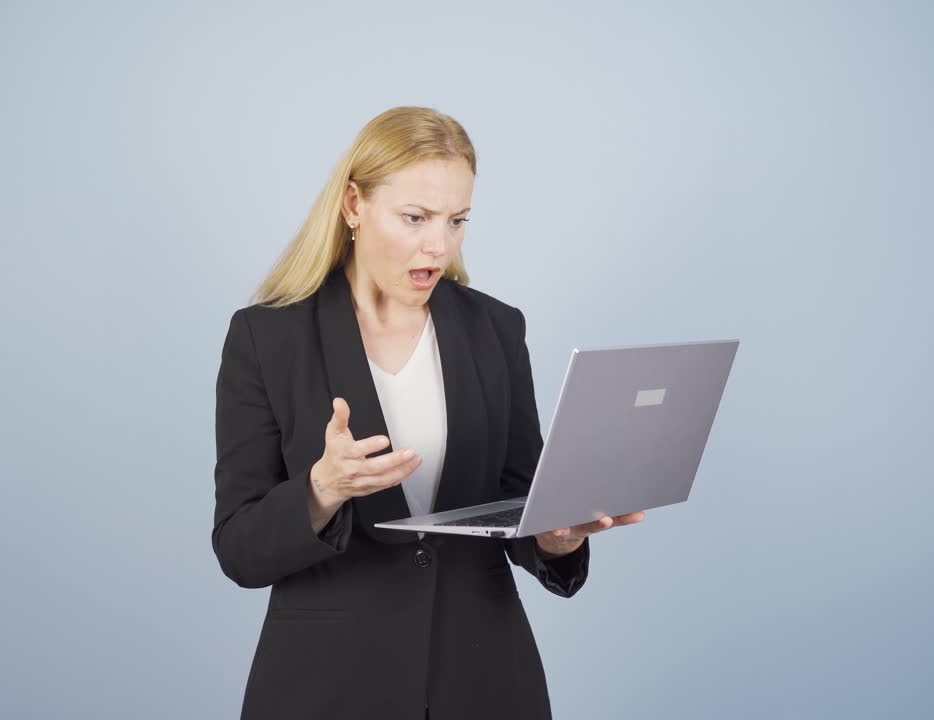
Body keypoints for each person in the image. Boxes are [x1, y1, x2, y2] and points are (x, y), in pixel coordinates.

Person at [212, 106, 645, 720]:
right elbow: (238, 548)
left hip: (484, 679)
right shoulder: (267, 338)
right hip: (327, 686)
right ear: (354, 205)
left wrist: (556, 535)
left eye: (457, 220)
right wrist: (322, 490)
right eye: (415, 218)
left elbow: (520, 498)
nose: (438, 245)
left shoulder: (496, 328)